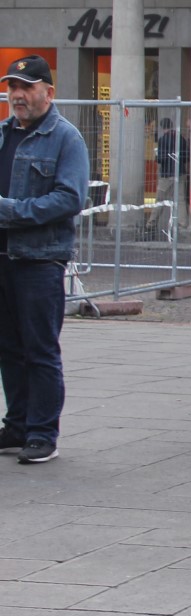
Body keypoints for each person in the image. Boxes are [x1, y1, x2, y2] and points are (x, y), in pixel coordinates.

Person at [0, 56, 89, 465]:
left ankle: (42, 433)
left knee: (39, 350)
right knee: (8, 348)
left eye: (26, 87)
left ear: (47, 93)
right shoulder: (2, 133)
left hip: (39, 260)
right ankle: (16, 425)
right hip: (4, 259)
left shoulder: (65, 137)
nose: (17, 95)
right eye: (12, 87)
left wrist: (10, 211)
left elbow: (70, 198)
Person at [153, 116, 189, 235]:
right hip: (180, 172)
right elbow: (186, 157)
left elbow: (161, 159)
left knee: (160, 199)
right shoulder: (181, 139)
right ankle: (182, 224)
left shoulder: (163, 140)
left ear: (163, 127)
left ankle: (151, 223)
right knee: (181, 199)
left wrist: (157, 156)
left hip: (167, 174)